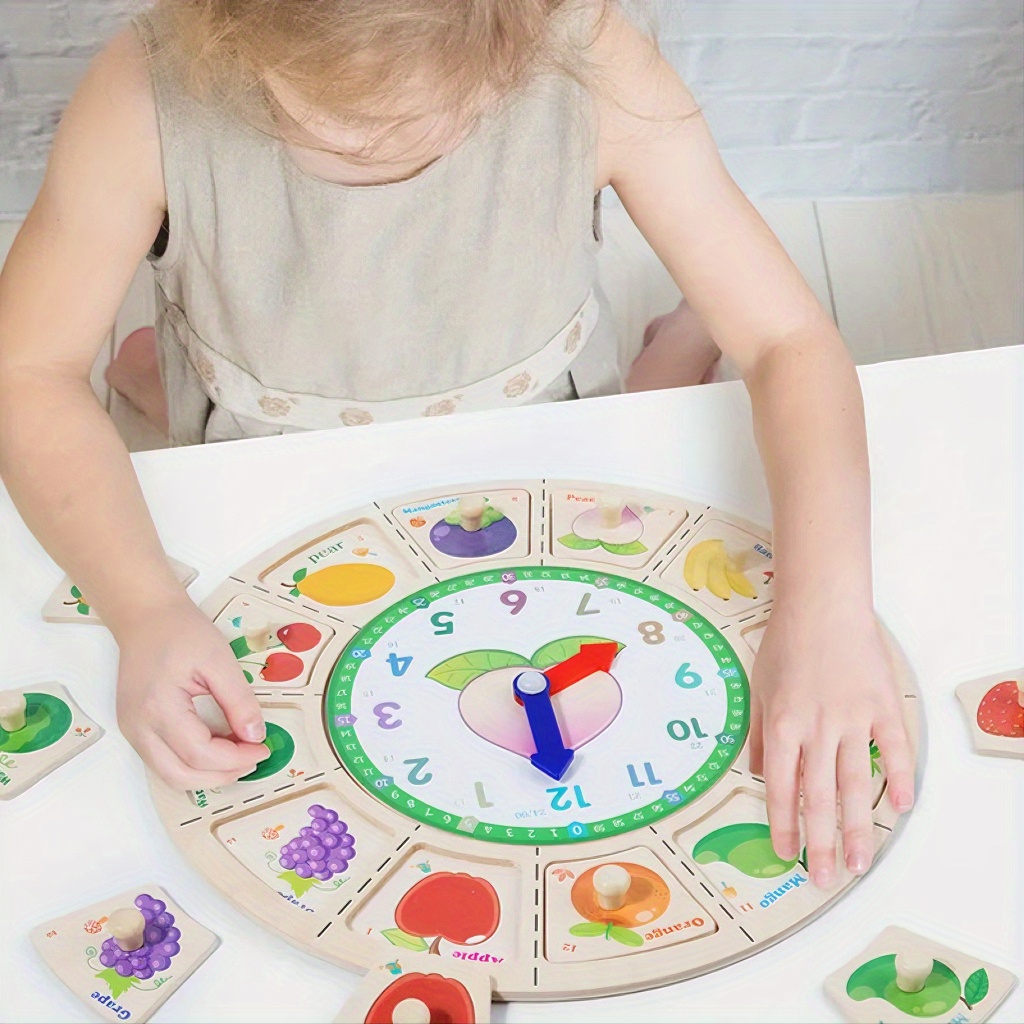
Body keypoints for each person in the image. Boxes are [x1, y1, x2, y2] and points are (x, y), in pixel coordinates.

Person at [0, 1, 913, 892]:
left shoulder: (590, 55)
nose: (379, 145)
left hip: (539, 428)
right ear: (224, 21)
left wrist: (827, 605)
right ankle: (162, 368)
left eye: (427, 110)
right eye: (337, 115)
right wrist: (143, 607)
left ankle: (679, 341)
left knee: (640, 442)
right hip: (268, 444)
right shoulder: (147, 91)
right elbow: (27, 371)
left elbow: (790, 342)